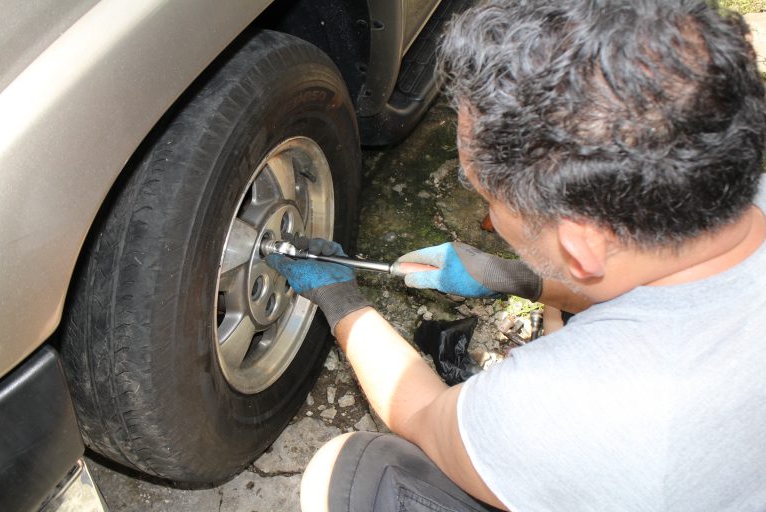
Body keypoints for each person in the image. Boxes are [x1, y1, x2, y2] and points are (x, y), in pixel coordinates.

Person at [266, 0, 766, 510]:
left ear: (582, 246)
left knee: (349, 475)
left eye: (487, 197)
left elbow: (422, 416)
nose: (489, 216)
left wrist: (340, 300)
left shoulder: (572, 404)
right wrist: (517, 278)